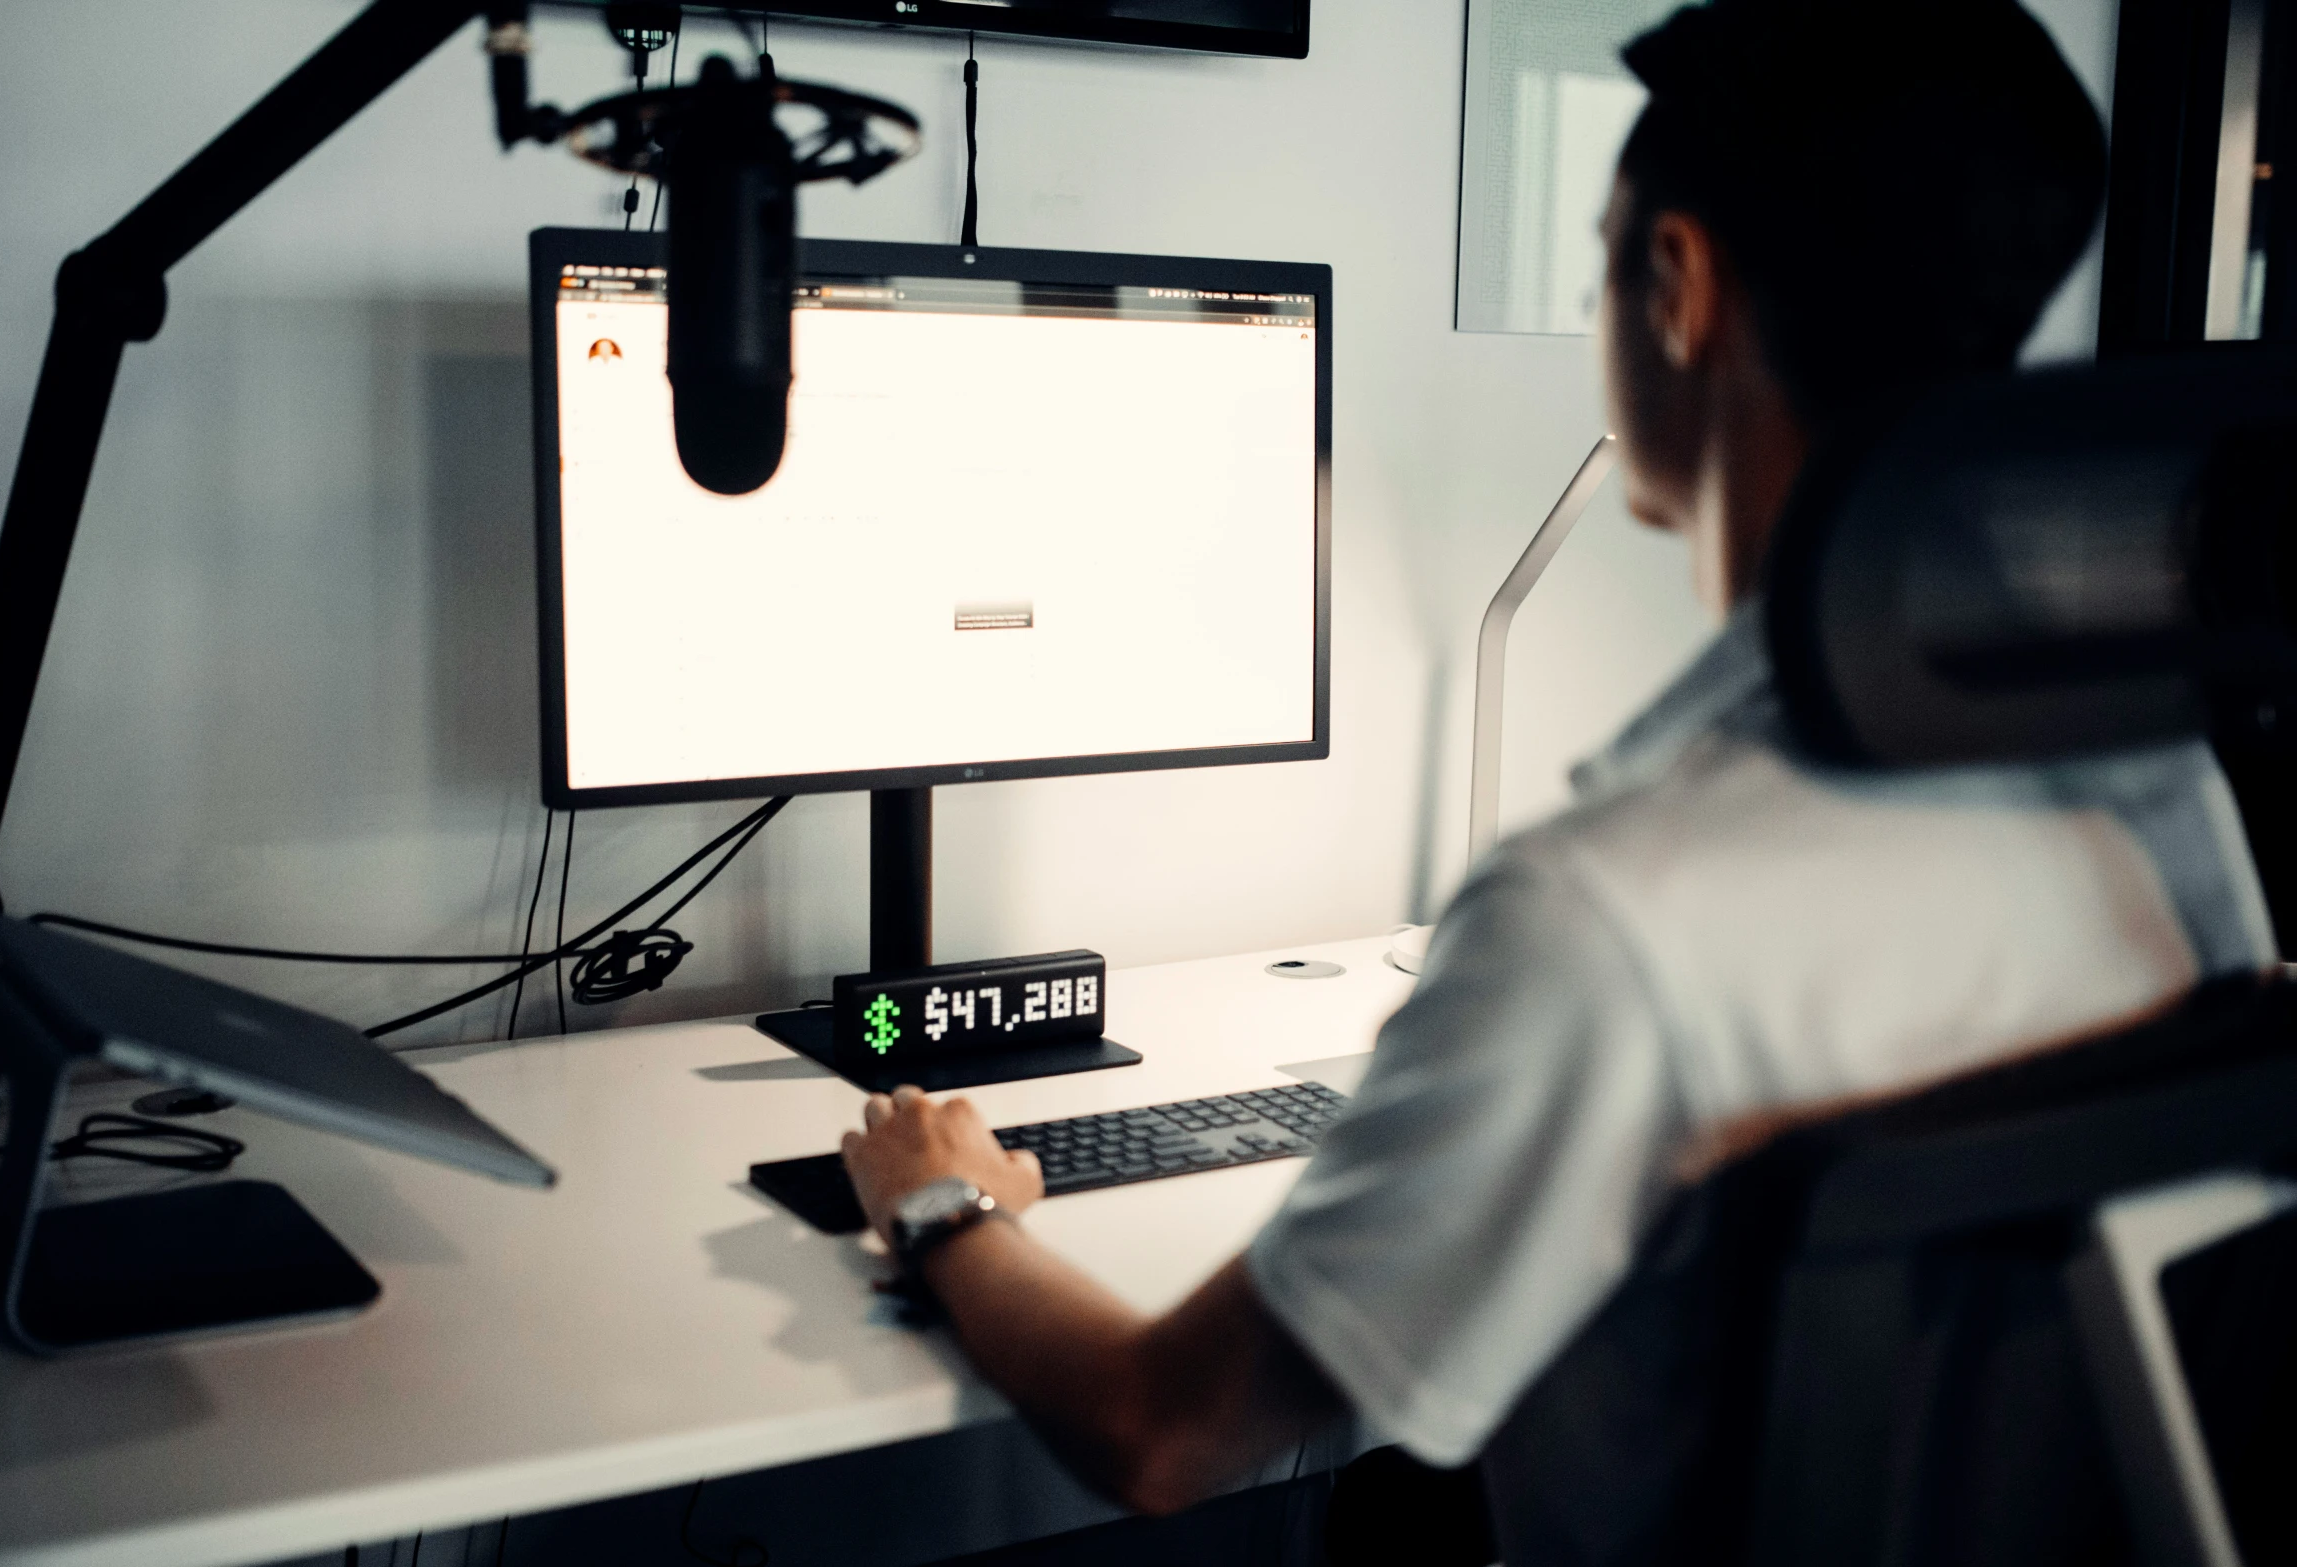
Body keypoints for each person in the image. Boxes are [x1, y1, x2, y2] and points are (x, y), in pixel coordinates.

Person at [838, 0, 2279, 1525]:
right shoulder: (2162, 798)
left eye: (1603, 253)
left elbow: (1161, 1433)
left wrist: (945, 1202)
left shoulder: (1600, 920)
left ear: (1676, 285)